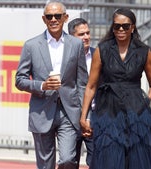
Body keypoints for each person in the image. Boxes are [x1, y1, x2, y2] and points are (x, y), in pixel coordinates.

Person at [80, 8, 151, 169]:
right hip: (108, 111)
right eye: (117, 26)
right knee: (110, 158)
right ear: (112, 27)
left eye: (125, 26)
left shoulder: (144, 52)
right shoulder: (102, 50)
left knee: (137, 158)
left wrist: (145, 101)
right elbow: (91, 86)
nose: (121, 29)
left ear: (133, 27)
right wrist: (83, 116)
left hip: (137, 111)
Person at [15, 1, 88, 169]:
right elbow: (19, 80)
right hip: (41, 111)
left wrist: (84, 114)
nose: (53, 19)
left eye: (57, 16)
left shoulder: (76, 45)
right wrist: (42, 85)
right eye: (49, 16)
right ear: (44, 19)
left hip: (69, 112)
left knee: (68, 159)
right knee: (45, 165)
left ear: (65, 17)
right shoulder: (31, 45)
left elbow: (82, 82)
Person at [68, 18, 94, 168]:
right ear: (72, 37)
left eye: (88, 33)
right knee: (69, 161)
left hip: (95, 118)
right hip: (71, 119)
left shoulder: (98, 55)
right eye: (81, 34)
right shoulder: (66, 57)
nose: (86, 37)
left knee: (98, 162)